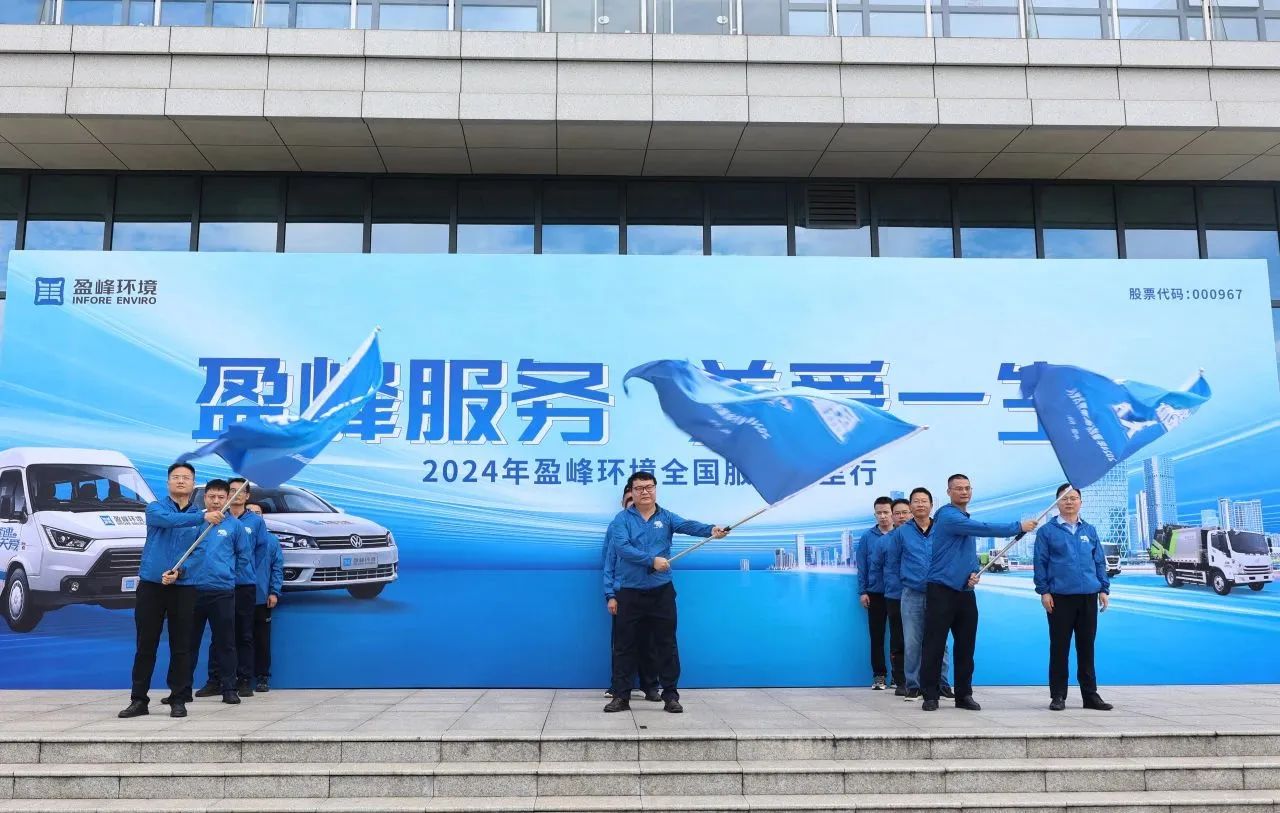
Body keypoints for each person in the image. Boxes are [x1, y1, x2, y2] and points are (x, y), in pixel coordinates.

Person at [603, 471, 726, 714]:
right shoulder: (621, 520)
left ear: (655, 489)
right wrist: (651, 561)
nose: (645, 492)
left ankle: (670, 696)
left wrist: (711, 529)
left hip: (661, 592)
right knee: (624, 646)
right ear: (632, 492)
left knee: (666, 644)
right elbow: (623, 548)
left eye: (649, 487)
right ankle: (621, 696)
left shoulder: (667, 516)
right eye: (639, 488)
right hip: (630, 592)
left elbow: (688, 525)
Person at [920, 474, 1035, 712]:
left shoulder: (963, 517)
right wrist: (1017, 527)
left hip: (964, 591)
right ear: (949, 492)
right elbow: (983, 528)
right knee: (934, 645)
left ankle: (964, 695)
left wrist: (973, 572)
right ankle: (930, 696)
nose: (964, 492)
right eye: (958, 488)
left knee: (966, 646)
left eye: (967, 488)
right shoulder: (948, 516)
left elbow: (964, 554)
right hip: (941, 589)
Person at [119, 462, 211, 719]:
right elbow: (168, 521)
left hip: (183, 588)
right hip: (152, 586)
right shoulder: (155, 508)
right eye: (176, 477)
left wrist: (180, 572)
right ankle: (139, 700)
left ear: (193, 484)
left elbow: (200, 552)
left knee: (181, 646)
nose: (181, 481)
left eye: (186, 478)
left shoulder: (200, 518)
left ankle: (178, 699)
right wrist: (202, 517)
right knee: (145, 645)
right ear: (168, 482)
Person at [1034, 483, 1112, 712]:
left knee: (1086, 647)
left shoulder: (1089, 530)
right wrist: (1044, 591)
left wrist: (1103, 589)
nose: (1069, 502)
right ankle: (1058, 695)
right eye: (1064, 498)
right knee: (1059, 648)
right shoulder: (1046, 532)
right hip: (1059, 598)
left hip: (1088, 596)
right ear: (1056, 503)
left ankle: (1090, 695)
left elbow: (1099, 561)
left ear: (1080, 502)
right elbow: (1040, 563)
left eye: (1073, 498)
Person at [884, 488, 953, 702]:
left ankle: (942, 683)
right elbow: (893, 563)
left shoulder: (942, 528)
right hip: (911, 593)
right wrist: (902, 587)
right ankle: (913, 685)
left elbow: (952, 556)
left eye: (924, 501)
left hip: (940, 593)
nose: (920, 504)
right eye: (916, 501)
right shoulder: (901, 533)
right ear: (910, 506)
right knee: (912, 642)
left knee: (941, 641)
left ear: (931, 505)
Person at [187, 479, 249, 705]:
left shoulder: (235, 526)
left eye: (220, 497)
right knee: (188, 643)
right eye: (211, 497)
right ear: (204, 498)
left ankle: (229, 688)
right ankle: (182, 690)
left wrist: (228, 575)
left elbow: (243, 557)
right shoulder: (195, 522)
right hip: (192, 590)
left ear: (227, 498)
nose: (216, 501)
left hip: (222, 591)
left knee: (226, 643)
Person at [604, 485, 663, 702]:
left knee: (649, 642)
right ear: (624, 504)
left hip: (651, 593)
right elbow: (609, 561)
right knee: (622, 644)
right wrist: (610, 594)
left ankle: (650, 686)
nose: (634, 503)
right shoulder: (617, 526)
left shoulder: (655, 526)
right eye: (629, 500)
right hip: (624, 593)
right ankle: (619, 688)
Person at [857, 497, 894, 690]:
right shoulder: (867, 537)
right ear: (875, 515)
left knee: (899, 636)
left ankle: (899, 676)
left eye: (886, 512)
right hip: (875, 593)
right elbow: (862, 566)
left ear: (892, 513)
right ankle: (879, 676)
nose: (883, 516)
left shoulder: (901, 534)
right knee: (877, 636)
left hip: (898, 593)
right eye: (879, 513)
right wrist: (863, 591)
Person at [876, 498, 911, 695]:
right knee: (898, 639)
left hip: (918, 594)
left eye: (905, 512)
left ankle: (922, 680)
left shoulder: (922, 537)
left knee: (920, 638)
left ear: (911, 513)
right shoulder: (883, 541)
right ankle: (900, 681)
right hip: (894, 596)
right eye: (897, 513)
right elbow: (876, 567)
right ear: (892, 516)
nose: (901, 516)